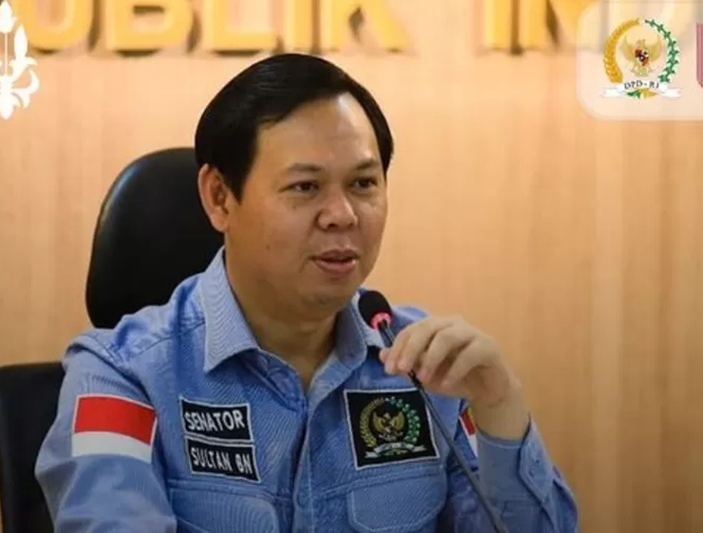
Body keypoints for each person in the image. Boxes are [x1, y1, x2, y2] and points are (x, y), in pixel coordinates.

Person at [35, 53, 578, 532]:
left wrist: (499, 405)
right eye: (305, 187)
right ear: (220, 197)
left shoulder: (430, 371)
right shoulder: (119, 377)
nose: (342, 215)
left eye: (363, 184)